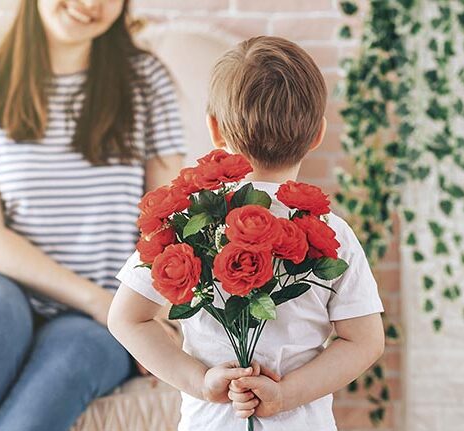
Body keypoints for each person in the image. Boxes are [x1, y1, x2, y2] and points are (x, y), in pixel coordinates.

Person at [0, 1, 184, 430]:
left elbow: (166, 224)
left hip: (95, 320)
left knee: (77, 354)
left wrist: (145, 315)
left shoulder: (145, 85)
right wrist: (102, 303)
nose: (91, 4)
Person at [108, 36, 386, 431]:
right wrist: (287, 394)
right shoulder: (331, 234)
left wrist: (201, 382)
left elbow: (126, 319)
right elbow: (365, 341)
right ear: (318, 135)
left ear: (215, 130)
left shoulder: (188, 224)